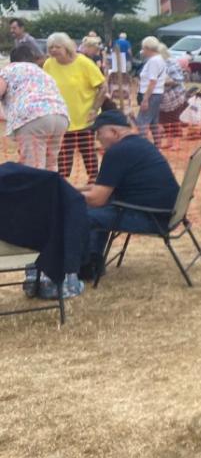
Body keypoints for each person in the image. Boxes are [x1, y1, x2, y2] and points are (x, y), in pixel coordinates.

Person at [79, 110, 179, 279]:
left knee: (80, 213)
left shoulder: (117, 152)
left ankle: (87, 265)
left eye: (99, 133)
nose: (97, 139)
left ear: (114, 132)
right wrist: (75, 190)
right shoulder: (140, 143)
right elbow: (100, 188)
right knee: (100, 206)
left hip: (153, 218)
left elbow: (97, 198)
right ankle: (92, 261)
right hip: (168, 214)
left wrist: (67, 194)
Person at [44, 32, 107, 181]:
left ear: (66, 47)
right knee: (64, 156)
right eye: (50, 47)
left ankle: (94, 181)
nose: (53, 50)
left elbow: (103, 87)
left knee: (88, 153)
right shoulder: (48, 64)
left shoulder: (84, 63)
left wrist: (94, 109)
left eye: (56, 47)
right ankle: (62, 185)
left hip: (84, 117)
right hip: (61, 119)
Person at [0, 45, 70, 171]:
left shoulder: (9, 69)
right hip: (60, 116)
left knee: (33, 166)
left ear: (13, 60)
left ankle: (36, 190)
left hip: (33, 117)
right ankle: (51, 190)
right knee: (51, 163)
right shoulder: (41, 72)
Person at [136, 36, 169, 144]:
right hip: (157, 94)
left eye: (143, 48)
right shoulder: (160, 59)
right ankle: (157, 145)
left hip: (151, 95)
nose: (143, 51)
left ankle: (143, 147)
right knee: (154, 121)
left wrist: (145, 99)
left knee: (142, 122)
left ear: (147, 48)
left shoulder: (154, 61)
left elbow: (152, 81)